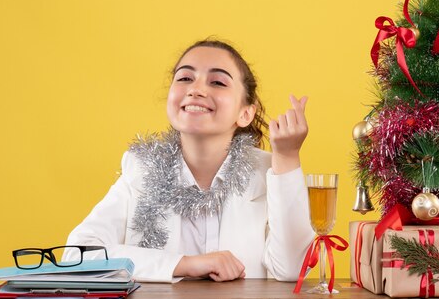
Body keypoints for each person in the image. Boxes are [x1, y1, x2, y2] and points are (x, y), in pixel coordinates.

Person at [63, 39, 315, 283]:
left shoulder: (269, 172)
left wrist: (287, 157)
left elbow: (293, 269)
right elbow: (78, 255)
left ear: (246, 112)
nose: (196, 89)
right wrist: (185, 264)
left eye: (217, 82)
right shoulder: (141, 168)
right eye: (185, 78)